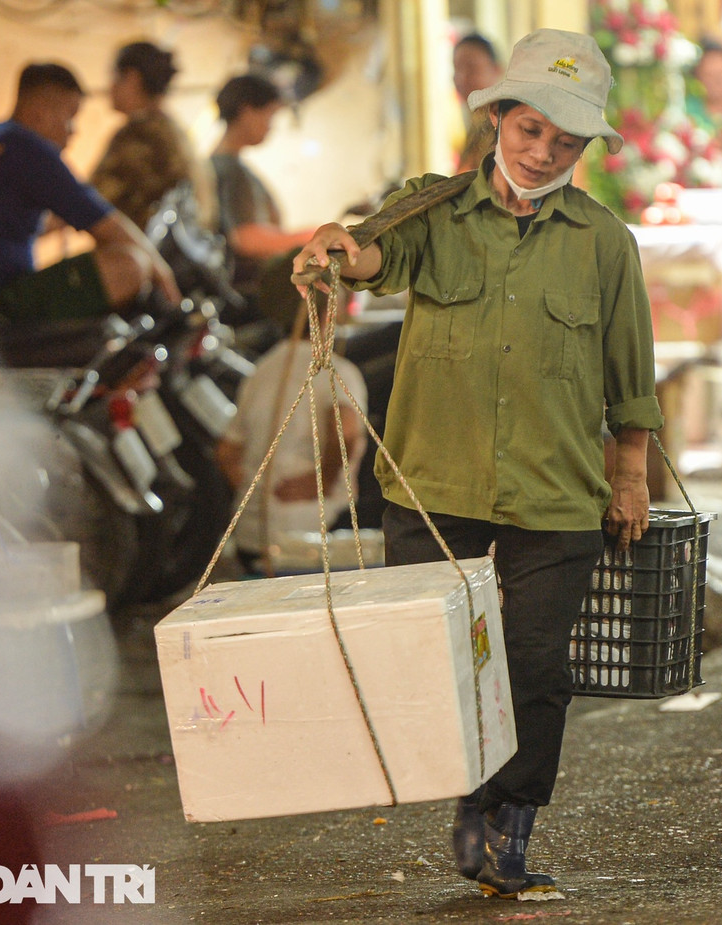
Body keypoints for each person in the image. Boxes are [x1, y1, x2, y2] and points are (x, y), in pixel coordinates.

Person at [292, 28, 662, 899]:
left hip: (555, 491)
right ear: (499, 117)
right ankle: (469, 793)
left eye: (565, 142)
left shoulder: (604, 242)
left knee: (535, 666)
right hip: (435, 483)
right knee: (443, 664)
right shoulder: (431, 210)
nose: (542, 154)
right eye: (531, 130)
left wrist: (630, 475)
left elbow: (630, 376)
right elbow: (372, 254)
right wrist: (335, 250)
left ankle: (510, 824)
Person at [0, 63, 180, 334]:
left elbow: (2, 224)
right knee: (130, 264)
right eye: (70, 116)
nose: (73, 130)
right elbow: (108, 225)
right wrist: (166, 279)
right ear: (39, 113)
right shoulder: (30, 150)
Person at [215, 301, 368, 575]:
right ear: (328, 315)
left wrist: (258, 490)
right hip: (307, 537)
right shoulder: (337, 370)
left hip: (250, 537)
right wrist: (324, 480)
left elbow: (227, 452)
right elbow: (346, 433)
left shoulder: (260, 370)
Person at [211, 73, 316, 326]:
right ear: (247, 112)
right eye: (270, 116)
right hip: (249, 300)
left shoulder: (220, 166)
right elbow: (246, 238)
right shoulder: (230, 171)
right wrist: (311, 237)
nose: (271, 126)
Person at [89, 41, 207, 231]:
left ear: (132, 78)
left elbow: (89, 200)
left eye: (114, 77)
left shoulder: (137, 135)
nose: (110, 87)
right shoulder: (173, 131)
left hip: (147, 246)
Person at [453, 32, 504, 171]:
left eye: (471, 68)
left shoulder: (501, 124)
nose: (461, 78)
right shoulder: (476, 123)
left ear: (496, 70)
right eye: (457, 69)